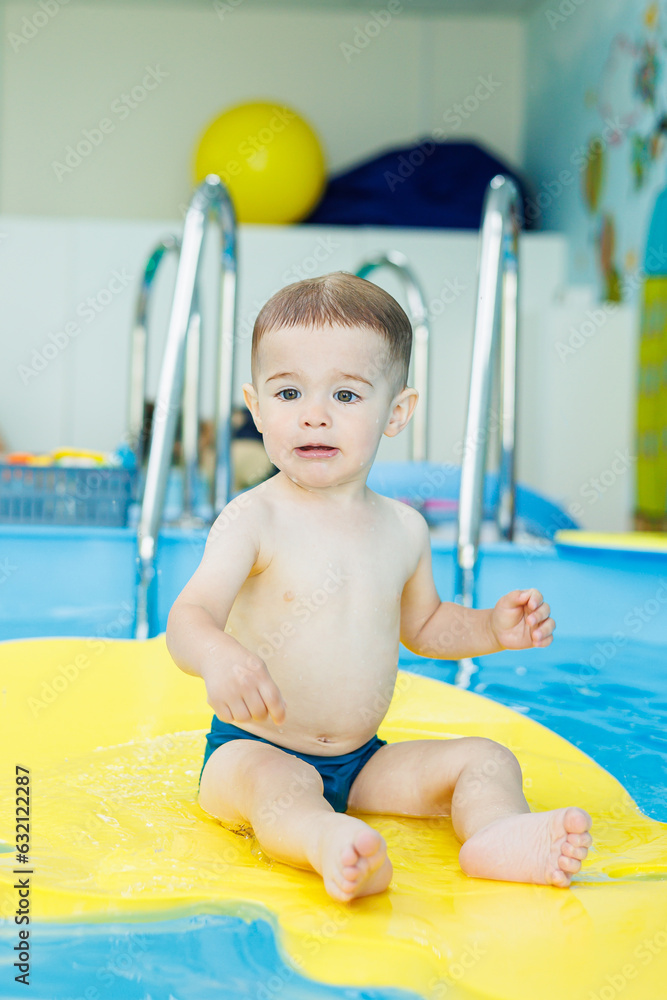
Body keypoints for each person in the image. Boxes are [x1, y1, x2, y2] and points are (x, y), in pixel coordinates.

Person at [166, 272, 592, 903]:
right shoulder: (254, 519)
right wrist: (218, 656)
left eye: (345, 394)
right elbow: (189, 616)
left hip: (363, 761)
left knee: (486, 758)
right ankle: (328, 843)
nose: (313, 413)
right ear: (255, 407)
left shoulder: (403, 528)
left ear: (396, 412)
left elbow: (426, 627)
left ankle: (496, 834)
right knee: (281, 790)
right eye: (289, 392)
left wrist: (490, 629)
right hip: (253, 750)